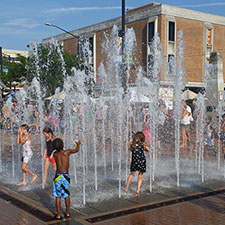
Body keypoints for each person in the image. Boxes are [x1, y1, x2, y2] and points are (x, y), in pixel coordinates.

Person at [51, 138, 81, 220]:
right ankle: (67, 213)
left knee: (58, 197)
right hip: (65, 176)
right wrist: (78, 144)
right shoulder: (67, 152)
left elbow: (52, 158)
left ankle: (58, 215)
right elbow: (76, 150)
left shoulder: (55, 154)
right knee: (66, 195)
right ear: (62, 145)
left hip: (57, 176)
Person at [125, 132, 150, 196]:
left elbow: (131, 150)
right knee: (140, 176)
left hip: (135, 161)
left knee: (131, 174)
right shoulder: (142, 144)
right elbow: (149, 150)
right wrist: (145, 146)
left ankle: (126, 188)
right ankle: (138, 190)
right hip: (142, 161)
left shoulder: (133, 144)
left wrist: (130, 157)